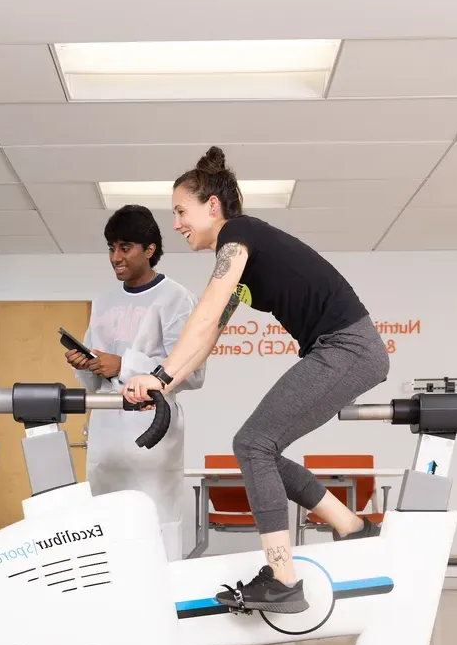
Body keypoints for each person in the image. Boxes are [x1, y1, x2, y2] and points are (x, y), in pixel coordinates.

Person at [121, 146, 390, 614]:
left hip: (349, 348)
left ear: (211, 205)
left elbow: (206, 309)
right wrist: (164, 383)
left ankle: (283, 578)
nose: (178, 224)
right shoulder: (242, 254)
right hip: (342, 348)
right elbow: (208, 336)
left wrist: (160, 374)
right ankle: (351, 526)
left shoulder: (238, 233)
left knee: (253, 444)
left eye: (181, 211)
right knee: (256, 447)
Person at [65, 205, 205, 561]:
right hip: (106, 439)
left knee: (155, 528)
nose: (115, 257)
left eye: (125, 247)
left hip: (152, 435)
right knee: (105, 533)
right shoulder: (103, 303)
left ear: (150, 249)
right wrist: (86, 364)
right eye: (111, 247)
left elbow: (193, 371)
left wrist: (123, 363)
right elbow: (94, 385)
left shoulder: (176, 299)